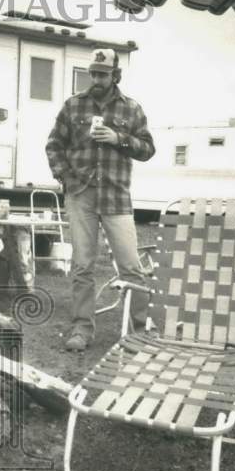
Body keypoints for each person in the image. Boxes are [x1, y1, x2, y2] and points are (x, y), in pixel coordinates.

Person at [45, 48, 156, 353]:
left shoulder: (131, 109)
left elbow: (148, 149)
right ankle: (81, 328)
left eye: (103, 74)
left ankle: (139, 330)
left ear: (115, 76)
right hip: (80, 195)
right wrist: (65, 178)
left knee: (130, 266)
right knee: (82, 265)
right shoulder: (73, 106)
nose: (96, 78)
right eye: (93, 73)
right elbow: (54, 145)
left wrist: (118, 139)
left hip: (116, 195)